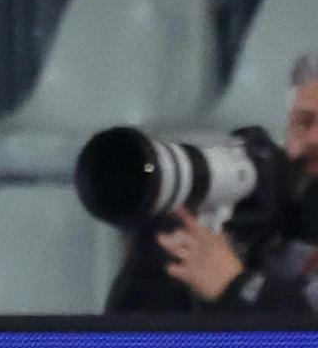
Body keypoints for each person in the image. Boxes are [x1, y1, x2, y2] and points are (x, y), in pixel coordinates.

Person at [107, 52, 318, 313]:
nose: (313, 140)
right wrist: (155, 258)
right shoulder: (265, 212)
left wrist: (235, 285)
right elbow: (126, 347)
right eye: (303, 122)